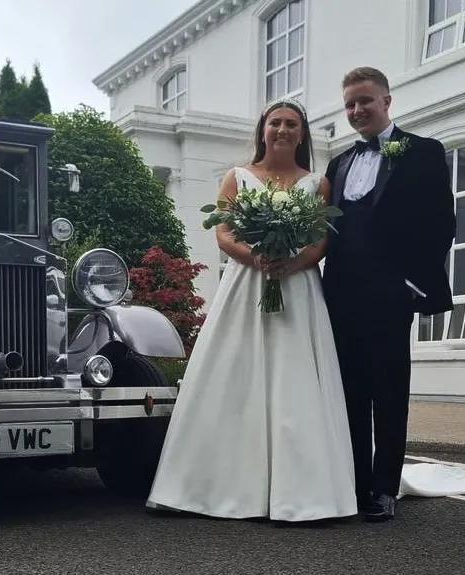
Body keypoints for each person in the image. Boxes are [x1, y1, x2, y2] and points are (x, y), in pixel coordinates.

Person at [145, 98, 359, 523]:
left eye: (292, 124)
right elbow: (223, 233)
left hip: (297, 286)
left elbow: (321, 240)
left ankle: (303, 491)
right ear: (263, 129)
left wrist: (295, 262)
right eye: (275, 123)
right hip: (246, 284)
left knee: (294, 376)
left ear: (302, 134)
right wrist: (255, 257)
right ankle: (209, 484)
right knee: (233, 372)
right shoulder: (238, 177)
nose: (282, 130)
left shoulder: (316, 183)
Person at [321, 66, 456, 522]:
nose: (358, 110)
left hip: (392, 292)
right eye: (350, 105)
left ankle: (384, 489)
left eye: (365, 101)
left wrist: (411, 286)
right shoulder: (338, 163)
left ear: (386, 101)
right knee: (351, 392)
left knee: (390, 390)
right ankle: (357, 485)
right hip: (340, 293)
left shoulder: (424, 152)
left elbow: (442, 223)